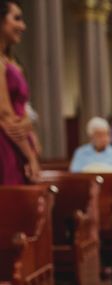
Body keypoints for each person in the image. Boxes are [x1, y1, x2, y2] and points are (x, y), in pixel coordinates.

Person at [0, 0, 40, 185]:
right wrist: (30, 156)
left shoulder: (11, 61)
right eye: (16, 19)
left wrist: (28, 124)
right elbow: (6, 114)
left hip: (18, 143)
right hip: (6, 144)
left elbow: (22, 108)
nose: (23, 26)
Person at [70, 117, 112, 189]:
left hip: (111, 193)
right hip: (86, 192)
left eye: (106, 134)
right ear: (91, 136)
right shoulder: (80, 153)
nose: (104, 138)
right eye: (99, 135)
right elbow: (74, 176)